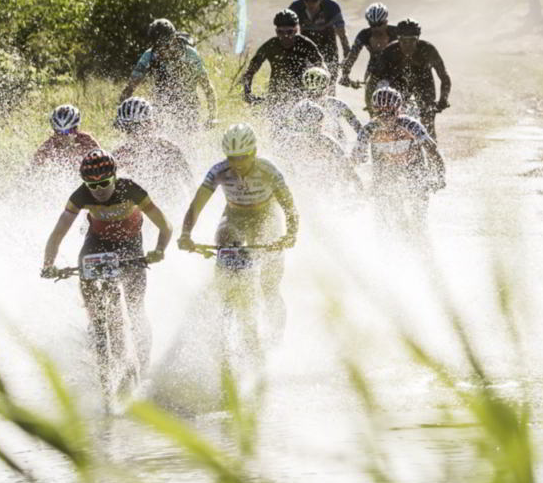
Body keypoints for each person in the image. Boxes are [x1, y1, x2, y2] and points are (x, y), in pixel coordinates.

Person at [38, 149, 171, 398]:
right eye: (92, 185)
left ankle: (143, 364)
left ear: (114, 177)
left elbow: (165, 225)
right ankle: (97, 325)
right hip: (97, 243)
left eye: (104, 183)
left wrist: (159, 250)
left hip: (130, 245)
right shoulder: (80, 195)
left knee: (135, 308)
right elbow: (58, 233)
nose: (98, 190)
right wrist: (48, 264)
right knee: (87, 277)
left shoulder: (130, 189)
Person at [179, 123, 300, 342]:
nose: (238, 164)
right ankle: (225, 302)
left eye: (243, 157)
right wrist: (186, 235)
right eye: (232, 158)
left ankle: (276, 336)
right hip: (235, 216)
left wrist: (291, 234)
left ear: (254, 152)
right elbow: (196, 206)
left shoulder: (268, 170)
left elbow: (289, 207)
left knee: (269, 286)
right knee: (224, 238)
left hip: (265, 217)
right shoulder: (218, 171)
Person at [362, 85, 445, 231]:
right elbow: (358, 159)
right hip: (389, 167)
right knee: (394, 209)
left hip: (414, 164)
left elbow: (432, 151)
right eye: (380, 113)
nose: (386, 118)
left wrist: (439, 176)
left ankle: (420, 228)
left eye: (390, 112)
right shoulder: (369, 128)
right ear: (374, 111)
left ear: (399, 110)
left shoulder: (411, 124)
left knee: (419, 209)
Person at [122, 19, 218, 133]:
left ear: (174, 38)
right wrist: (121, 114)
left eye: (166, 45)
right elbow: (130, 87)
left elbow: (207, 86)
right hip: (160, 107)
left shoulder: (190, 55)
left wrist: (212, 116)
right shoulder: (149, 56)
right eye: (158, 46)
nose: (162, 51)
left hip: (189, 108)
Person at [364, 18, 451, 136]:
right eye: (403, 41)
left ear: (418, 39)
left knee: (428, 119)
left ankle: (430, 144)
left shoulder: (428, 49)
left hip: (424, 82)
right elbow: (373, 80)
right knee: (393, 117)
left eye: (412, 41)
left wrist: (443, 99)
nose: (407, 45)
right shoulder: (389, 51)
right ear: (398, 39)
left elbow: (444, 76)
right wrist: (370, 106)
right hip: (399, 82)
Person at [109, 96, 194, 210]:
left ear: (151, 124)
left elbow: (190, 183)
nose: (135, 133)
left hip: (172, 206)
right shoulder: (118, 156)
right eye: (129, 129)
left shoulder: (169, 149)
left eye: (138, 127)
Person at [272, 100, 362, 193]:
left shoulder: (325, 141)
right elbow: (278, 164)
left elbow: (344, 163)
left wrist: (355, 178)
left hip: (322, 185)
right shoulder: (292, 142)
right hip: (307, 186)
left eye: (319, 121)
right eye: (317, 122)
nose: (319, 126)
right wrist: (356, 179)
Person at [241, 11, 324, 106]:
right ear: (276, 31)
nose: (285, 36)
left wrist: (318, 92)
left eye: (289, 32)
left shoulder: (305, 44)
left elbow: (322, 68)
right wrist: (247, 93)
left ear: (296, 30)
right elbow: (249, 72)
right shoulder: (270, 46)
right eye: (280, 32)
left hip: (303, 97)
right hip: (276, 97)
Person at [300, 65, 366, 150]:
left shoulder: (301, 106)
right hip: (336, 148)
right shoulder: (338, 104)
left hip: (307, 147)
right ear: (327, 86)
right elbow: (358, 127)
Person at [288, 0, 348, 68]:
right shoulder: (296, 6)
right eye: (306, 0)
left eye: (314, 0)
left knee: (330, 73)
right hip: (306, 42)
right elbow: (286, 31)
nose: (310, 4)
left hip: (328, 43)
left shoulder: (332, 7)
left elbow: (341, 33)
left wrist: (346, 54)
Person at [340, 2, 397, 87]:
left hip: (395, 68)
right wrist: (345, 74)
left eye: (379, 24)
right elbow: (352, 56)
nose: (376, 28)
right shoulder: (364, 35)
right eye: (372, 25)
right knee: (369, 88)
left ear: (386, 22)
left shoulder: (397, 32)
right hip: (373, 69)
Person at [30, 104, 99, 172]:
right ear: (54, 131)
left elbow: (102, 161)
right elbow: (31, 170)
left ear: (76, 128)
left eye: (69, 131)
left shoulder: (87, 141)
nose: (64, 136)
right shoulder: (48, 147)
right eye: (59, 132)